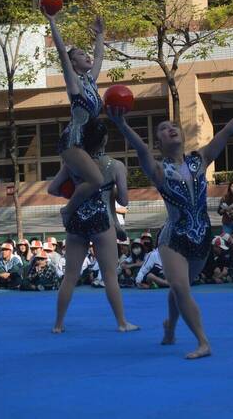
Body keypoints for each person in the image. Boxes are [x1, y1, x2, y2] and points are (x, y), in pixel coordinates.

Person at [108, 80, 233, 359]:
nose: (170, 128)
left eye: (173, 126)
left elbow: (229, 130)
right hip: (174, 238)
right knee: (182, 287)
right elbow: (142, 152)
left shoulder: (200, 159)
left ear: (182, 135)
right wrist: (122, 125)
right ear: (159, 143)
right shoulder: (159, 170)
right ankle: (203, 341)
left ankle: (170, 325)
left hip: (202, 237)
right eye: (162, 129)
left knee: (179, 288)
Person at [47, 118, 138, 333]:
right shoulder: (116, 166)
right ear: (105, 139)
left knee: (70, 276)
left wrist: (70, 191)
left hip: (78, 219)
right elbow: (124, 201)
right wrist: (112, 192)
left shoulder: (74, 164)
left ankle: (58, 324)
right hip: (102, 219)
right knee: (109, 275)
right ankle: (122, 322)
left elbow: (52, 189)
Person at [43, 7, 107, 229]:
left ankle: (61, 181)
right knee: (97, 180)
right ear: (72, 64)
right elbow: (61, 52)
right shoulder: (75, 83)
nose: (87, 56)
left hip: (87, 143)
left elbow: (99, 56)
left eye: (85, 52)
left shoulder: (90, 82)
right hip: (73, 141)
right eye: (80, 54)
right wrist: (52, 21)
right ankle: (67, 210)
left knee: (55, 188)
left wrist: (99, 34)